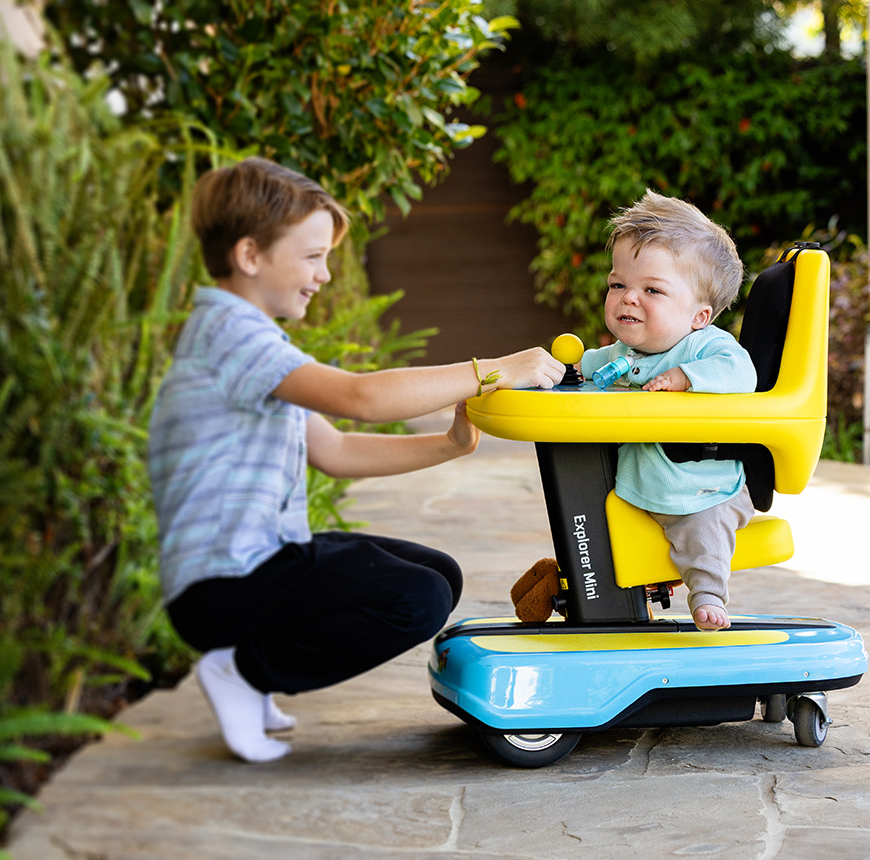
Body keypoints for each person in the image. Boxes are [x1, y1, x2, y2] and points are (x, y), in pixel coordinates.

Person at [148, 158, 564, 763]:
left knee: (439, 576)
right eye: (313, 256)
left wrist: (448, 445)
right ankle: (244, 669)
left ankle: (253, 670)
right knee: (413, 599)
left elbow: (333, 450)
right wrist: (492, 369)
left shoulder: (245, 338)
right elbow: (359, 398)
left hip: (257, 565)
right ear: (250, 256)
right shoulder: (231, 336)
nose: (324, 274)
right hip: (223, 587)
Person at [576, 189, 755, 632]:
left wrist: (685, 378)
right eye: (618, 284)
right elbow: (575, 371)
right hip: (639, 487)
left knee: (703, 532)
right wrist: (551, 371)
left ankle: (709, 593)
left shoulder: (704, 345)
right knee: (586, 524)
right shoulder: (618, 353)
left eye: (652, 289)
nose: (628, 298)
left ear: (699, 314)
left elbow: (740, 372)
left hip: (703, 490)